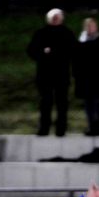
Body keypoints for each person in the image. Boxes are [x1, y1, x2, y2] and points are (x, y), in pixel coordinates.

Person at [26, 8, 76, 137]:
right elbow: (31, 51)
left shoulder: (68, 33)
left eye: (57, 17)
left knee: (62, 103)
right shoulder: (40, 33)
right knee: (45, 103)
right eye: (53, 17)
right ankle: (44, 128)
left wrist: (57, 53)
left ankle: (61, 129)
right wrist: (43, 52)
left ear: (62, 19)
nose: (55, 20)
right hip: (45, 75)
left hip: (62, 74)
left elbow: (74, 51)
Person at [73, 17, 99, 137]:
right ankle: (91, 126)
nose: (90, 28)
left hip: (97, 77)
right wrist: (76, 73)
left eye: (92, 25)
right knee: (88, 103)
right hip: (84, 78)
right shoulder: (81, 40)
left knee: (97, 102)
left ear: (96, 27)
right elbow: (75, 59)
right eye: (88, 26)